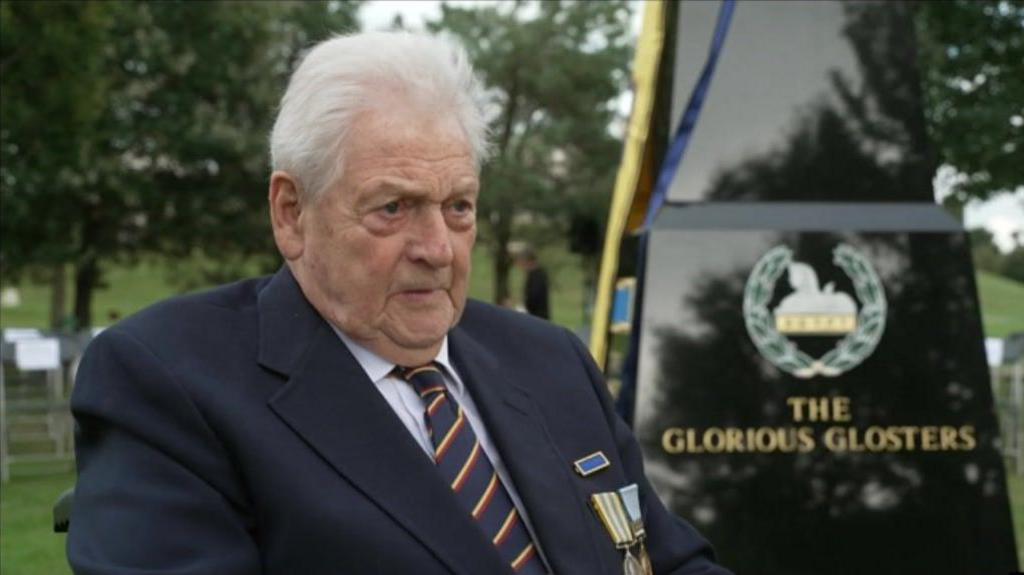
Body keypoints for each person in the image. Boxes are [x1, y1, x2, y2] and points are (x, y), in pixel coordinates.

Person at [67, 32, 730, 575]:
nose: (439, 248)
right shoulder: (168, 382)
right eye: (394, 207)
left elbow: (666, 562)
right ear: (292, 213)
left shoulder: (548, 359)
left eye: (458, 206)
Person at [516, 247, 550, 320]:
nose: (520, 266)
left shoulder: (537, 276)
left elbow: (533, 298)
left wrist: (521, 308)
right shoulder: (534, 275)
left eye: (521, 262)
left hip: (538, 318)